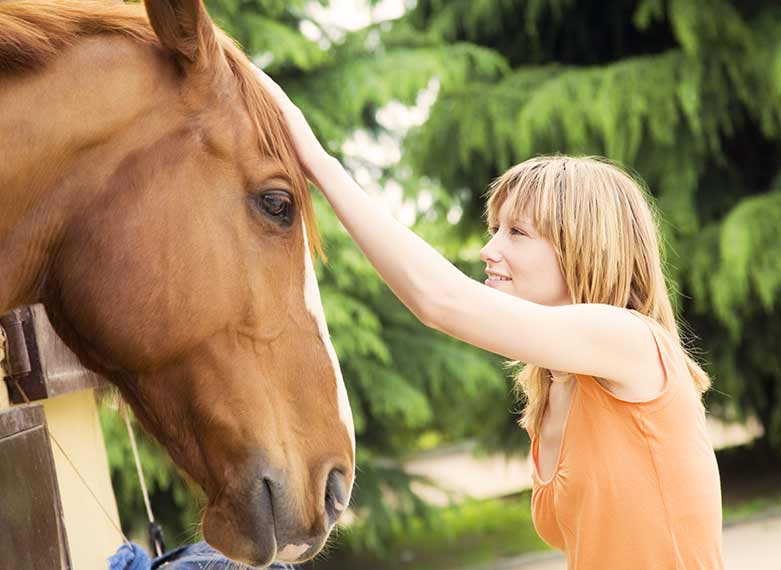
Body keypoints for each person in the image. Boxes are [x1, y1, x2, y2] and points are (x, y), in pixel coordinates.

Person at [256, 71, 724, 569]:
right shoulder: (552, 389)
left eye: (517, 232)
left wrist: (319, 164)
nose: (488, 249)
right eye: (493, 229)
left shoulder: (631, 341)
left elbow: (439, 299)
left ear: (583, 249)